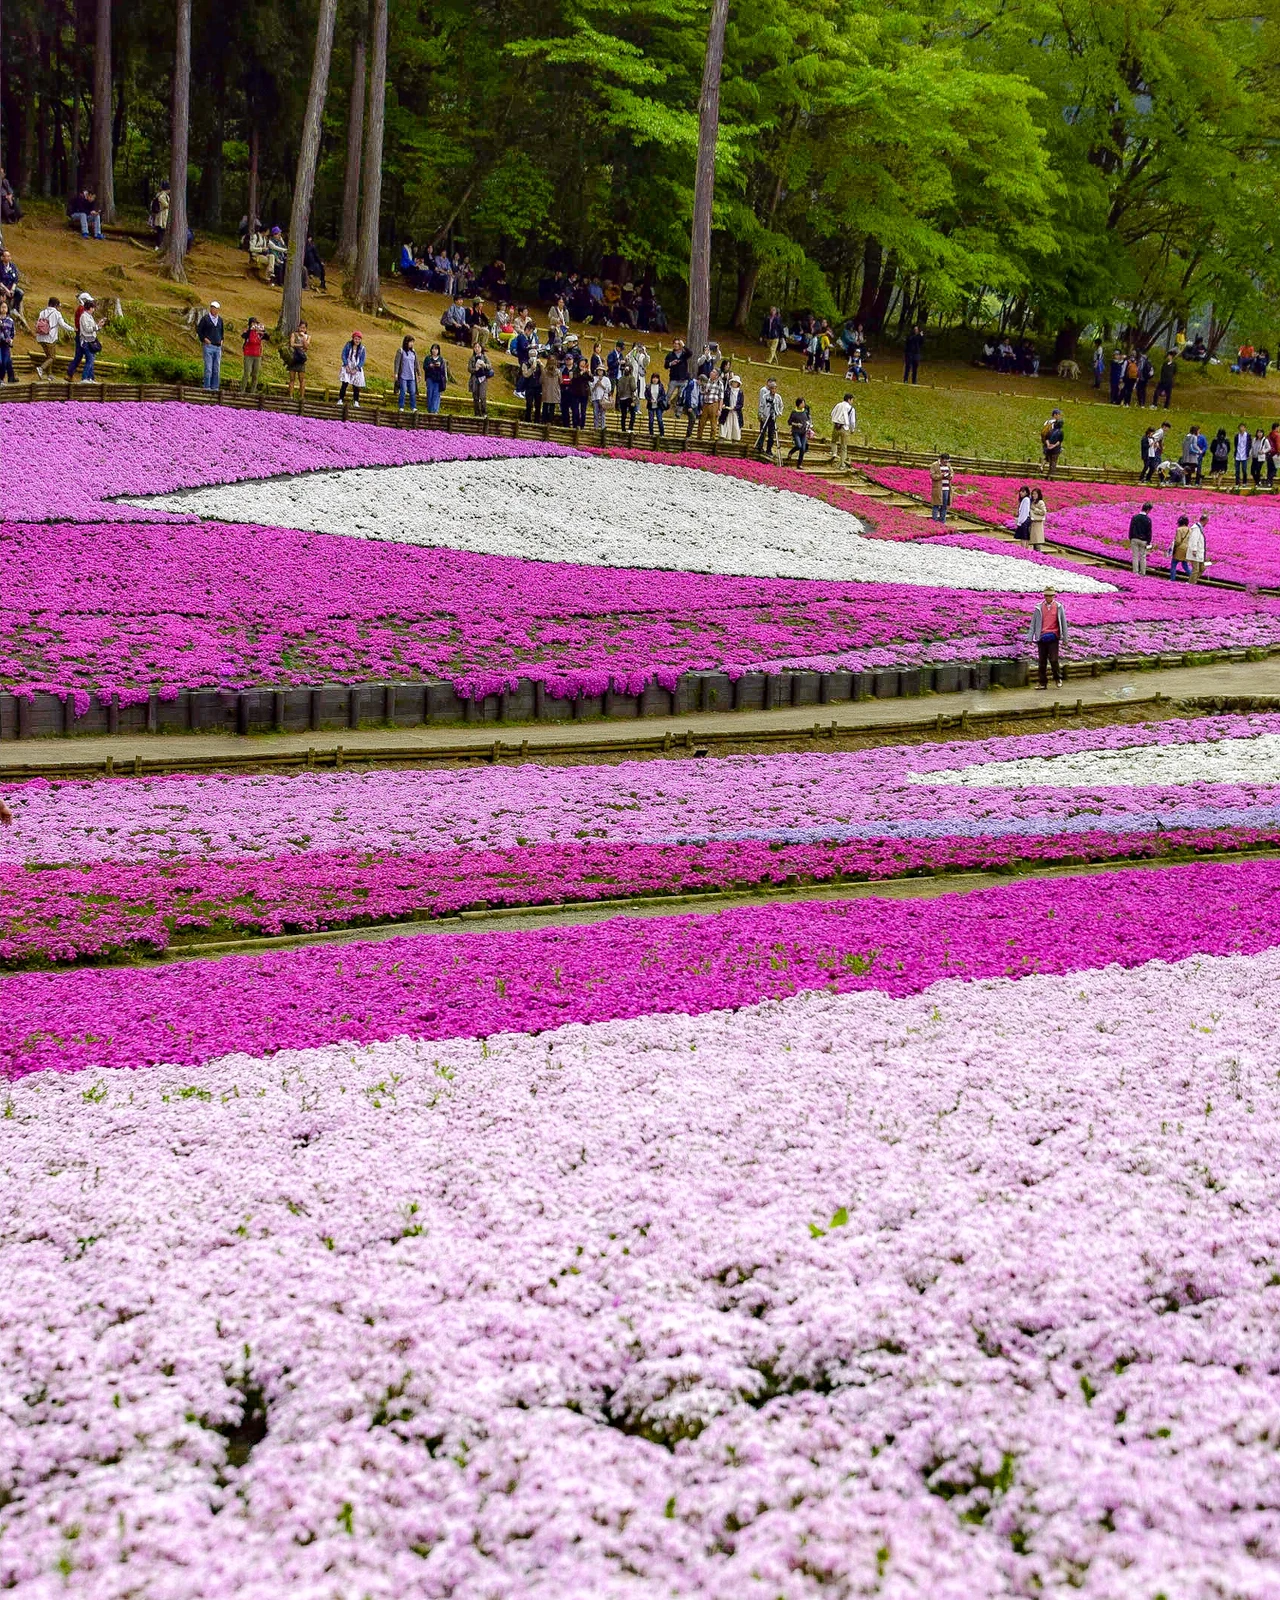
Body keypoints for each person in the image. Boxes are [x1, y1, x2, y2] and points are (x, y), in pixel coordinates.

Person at [1030, 587, 1067, 689]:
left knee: (1054, 660)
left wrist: (1065, 638)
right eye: (1046, 595)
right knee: (1042, 661)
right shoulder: (1039, 607)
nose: (1048, 597)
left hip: (1053, 637)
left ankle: (1057, 678)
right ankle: (1042, 683)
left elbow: (1063, 623)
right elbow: (1033, 623)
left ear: (1053, 596)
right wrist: (1030, 637)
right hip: (1041, 637)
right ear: (1044, 596)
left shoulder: (1059, 607)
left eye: (1050, 596)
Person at [33, 296, 72, 379]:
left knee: (49, 357)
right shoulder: (57, 313)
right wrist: (72, 329)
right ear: (56, 305)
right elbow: (63, 324)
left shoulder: (42, 312)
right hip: (50, 338)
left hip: (40, 337)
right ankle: (41, 368)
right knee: (52, 357)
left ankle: (49, 375)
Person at [197, 301, 225, 391]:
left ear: (218, 310)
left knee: (216, 368)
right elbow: (199, 330)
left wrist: (221, 340)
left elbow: (222, 332)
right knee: (208, 368)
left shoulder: (220, 320)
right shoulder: (205, 319)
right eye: (212, 308)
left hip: (217, 347)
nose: (214, 310)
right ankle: (207, 387)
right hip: (209, 346)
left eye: (215, 308)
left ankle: (215, 387)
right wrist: (204, 339)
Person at [70, 297, 100, 381]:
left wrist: (98, 326)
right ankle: (84, 378)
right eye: (93, 308)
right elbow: (87, 329)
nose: (93, 309)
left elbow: (92, 328)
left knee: (91, 360)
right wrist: (96, 327)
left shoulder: (89, 316)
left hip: (91, 340)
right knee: (90, 360)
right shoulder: (84, 316)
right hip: (86, 341)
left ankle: (90, 378)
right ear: (90, 308)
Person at [339, 329, 367, 405]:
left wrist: (357, 368)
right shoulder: (348, 345)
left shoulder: (362, 348)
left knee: (356, 386)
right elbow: (343, 355)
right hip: (347, 365)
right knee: (344, 384)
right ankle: (340, 399)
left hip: (356, 368)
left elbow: (362, 360)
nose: (357, 341)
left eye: (359, 339)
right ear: (353, 338)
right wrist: (346, 365)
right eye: (355, 339)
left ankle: (356, 401)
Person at [756, 378, 784, 454]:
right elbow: (761, 406)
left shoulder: (778, 397)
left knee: (771, 434)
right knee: (762, 432)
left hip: (773, 417)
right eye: (772, 388)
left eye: (775, 388)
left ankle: (769, 449)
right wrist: (761, 414)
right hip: (765, 416)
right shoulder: (765, 396)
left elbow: (781, 406)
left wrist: (779, 413)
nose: (773, 390)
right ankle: (760, 446)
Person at [1127, 501, 1154, 576]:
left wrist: (1131, 538)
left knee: (1135, 556)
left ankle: (1135, 572)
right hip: (1143, 541)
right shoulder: (1148, 520)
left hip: (1134, 539)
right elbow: (1149, 532)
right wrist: (1148, 542)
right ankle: (1143, 573)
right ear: (1148, 510)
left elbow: (1131, 528)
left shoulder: (1135, 517)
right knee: (1143, 556)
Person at [468, 340, 494, 416]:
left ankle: (484, 412)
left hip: (483, 378)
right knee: (475, 397)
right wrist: (475, 369)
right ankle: (477, 413)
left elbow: (490, 366)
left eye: (478, 347)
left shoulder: (485, 357)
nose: (477, 348)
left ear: (481, 348)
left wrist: (484, 365)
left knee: (482, 396)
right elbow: (469, 369)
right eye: (475, 347)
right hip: (475, 379)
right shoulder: (472, 358)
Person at [785, 398, 813, 465]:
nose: (804, 404)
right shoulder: (794, 412)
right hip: (796, 432)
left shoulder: (805, 411)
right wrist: (796, 424)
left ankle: (799, 464)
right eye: (803, 403)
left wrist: (809, 426)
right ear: (799, 404)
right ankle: (791, 452)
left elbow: (809, 420)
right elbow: (789, 422)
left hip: (803, 432)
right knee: (799, 445)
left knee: (803, 448)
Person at [830, 393, 855, 469]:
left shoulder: (838, 405)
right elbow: (852, 421)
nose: (852, 401)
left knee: (833, 441)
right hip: (845, 428)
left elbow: (832, 413)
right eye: (852, 400)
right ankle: (842, 464)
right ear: (849, 399)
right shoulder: (851, 409)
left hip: (836, 426)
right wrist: (852, 429)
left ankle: (834, 453)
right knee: (844, 447)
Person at [286, 320, 310, 398]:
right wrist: (301, 345)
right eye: (301, 327)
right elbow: (292, 344)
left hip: (301, 359)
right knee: (292, 379)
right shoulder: (294, 334)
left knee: (302, 379)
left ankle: (302, 397)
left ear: (306, 329)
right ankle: (290, 396)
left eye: (304, 328)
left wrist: (303, 338)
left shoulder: (308, 337)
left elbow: (306, 347)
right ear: (298, 327)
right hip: (293, 358)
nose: (302, 329)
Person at [240, 317, 264, 394]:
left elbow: (267, 337)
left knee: (255, 374)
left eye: (256, 323)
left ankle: (252, 392)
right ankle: (242, 390)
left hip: (257, 355)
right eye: (253, 323)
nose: (255, 325)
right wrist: (250, 330)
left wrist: (261, 331)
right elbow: (243, 336)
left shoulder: (259, 332)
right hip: (248, 354)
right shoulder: (248, 332)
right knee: (247, 372)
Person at [394, 336, 418, 412]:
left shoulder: (413, 352)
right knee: (403, 390)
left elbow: (416, 364)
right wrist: (396, 373)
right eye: (410, 342)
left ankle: (413, 407)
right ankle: (401, 406)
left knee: (413, 391)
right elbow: (397, 363)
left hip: (412, 375)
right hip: (403, 375)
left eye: (412, 342)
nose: (411, 344)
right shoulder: (400, 351)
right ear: (406, 342)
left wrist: (419, 374)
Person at [423, 343, 448, 414]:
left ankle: (435, 410)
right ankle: (430, 410)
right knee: (430, 393)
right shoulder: (428, 358)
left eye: (436, 349)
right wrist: (430, 366)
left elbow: (443, 370)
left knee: (436, 394)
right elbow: (425, 367)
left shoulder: (441, 359)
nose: (434, 350)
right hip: (430, 378)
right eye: (433, 349)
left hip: (438, 379)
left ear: (438, 350)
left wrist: (439, 366)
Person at [0, 251, 24, 323]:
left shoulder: (12, 266)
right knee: (2, 295)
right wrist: (6, 290)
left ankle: (14, 309)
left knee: (20, 293)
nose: (8, 258)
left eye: (9, 256)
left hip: (11, 287)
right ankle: (4, 313)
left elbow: (15, 279)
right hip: (2, 287)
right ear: (2, 257)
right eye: (6, 256)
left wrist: (13, 289)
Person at [614, 360, 638, 433]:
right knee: (632, 413)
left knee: (623, 415)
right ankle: (630, 428)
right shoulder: (631, 378)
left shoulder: (620, 379)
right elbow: (633, 388)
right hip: (629, 398)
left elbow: (619, 390)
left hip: (622, 398)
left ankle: (623, 429)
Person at [720, 375, 744, 441]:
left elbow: (741, 404)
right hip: (727, 411)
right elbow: (724, 400)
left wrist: (735, 408)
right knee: (725, 424)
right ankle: (722, 437)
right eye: (733, 382)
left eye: (736, 382)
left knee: (735, 425)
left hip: (736, 412)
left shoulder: (740, 393)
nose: (734, 383)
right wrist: (724, 405)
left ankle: (735, 439)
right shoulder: (727, 391)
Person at [929, 453, 953, 522]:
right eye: (945, 461)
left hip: (946, 488)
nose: (946, 462)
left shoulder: (948, 465)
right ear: (941, 459)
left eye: (947, 461)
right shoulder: (934, 465)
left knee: (944, 506)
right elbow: (932, 476)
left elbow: (952, 473)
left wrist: (950, 476)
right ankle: (934, 520)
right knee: (936, 505)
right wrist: (941, 476)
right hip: (938, 488)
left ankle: (942, 521)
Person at [541, 352, 562, 424]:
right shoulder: (558, 371)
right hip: (554, 393)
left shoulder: (544, 370)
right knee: (552, 408)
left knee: (545, 407)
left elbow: (541, 381)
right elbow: (561, 381)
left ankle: (543, 421)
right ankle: (550, 422)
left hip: (546, 392)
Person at [1040, 409, 1064, 475]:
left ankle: (1042, 466)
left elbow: (1043, 432)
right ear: (1055, 415)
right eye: (1058, 414)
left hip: (1045, 442)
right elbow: (1055, 434)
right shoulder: (1055, 423)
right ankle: (1051, 473)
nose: (1059, 416)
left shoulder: (1047, 422)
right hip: (1052, 443)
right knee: (1052, 458)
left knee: (1047, 456)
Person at [645, 371, 667, 436]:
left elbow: (663, 395)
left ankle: (662, 434)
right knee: (651, 421)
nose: (655, 379)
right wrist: (650, 400)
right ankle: (651, 434)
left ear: (658, 379)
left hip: (659, 406)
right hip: (650, 405)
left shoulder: (661, 386)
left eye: (656, 378)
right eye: (653, 378)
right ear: (651, 379)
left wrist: (658, 400)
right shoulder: (648, 386)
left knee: (660, 420)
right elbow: (646, 395)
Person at [1170, 515, 1192, 579]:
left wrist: (1173, 545)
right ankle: (1192, 578)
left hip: (1179, 549)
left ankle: (1172, 579)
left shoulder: (1179, 529)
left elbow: (1178, 541)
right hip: (1187, 549)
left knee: (1173, 564)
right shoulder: (1190, 530)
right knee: (1185, 565)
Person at [1186, 514, 1206, 583]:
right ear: (1204, 520)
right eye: (1206, 522)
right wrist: (1194, 550)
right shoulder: (1196, 528)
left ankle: (1193, 580)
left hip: (1199, 552)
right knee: (1196, 569)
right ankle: (1191, 583)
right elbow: (1194, 539)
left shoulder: (1200, 528)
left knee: (1202, 568)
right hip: (1195, 552)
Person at [149, 180, 170, 244]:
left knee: (160, 231)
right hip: (161, 216)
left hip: (161, 216)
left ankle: (159, 244)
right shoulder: (162, 196)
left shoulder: (160, 195)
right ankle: (158, 245)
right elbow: (167, 205)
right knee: (161, 231)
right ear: (167, 189)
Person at [0, 299, 15, 384]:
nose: (3, 309)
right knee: (0, 361)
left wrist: (11, 340)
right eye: (2, 307)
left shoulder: (10, 321)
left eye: (5, 307)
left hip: (6, 344)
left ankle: (1, 379)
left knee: (5, 362)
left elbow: (13, 333)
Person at [1269, 422, 1280, 489]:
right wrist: (1279, 452)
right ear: (1276, 428)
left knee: (1270, 468)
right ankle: (1271, 481)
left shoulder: (1269, 434)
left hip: (1269, 453)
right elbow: (1278, 444)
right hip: (1275, 454)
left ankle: (1268, 482)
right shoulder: (1277, 435)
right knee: (1274, 469)